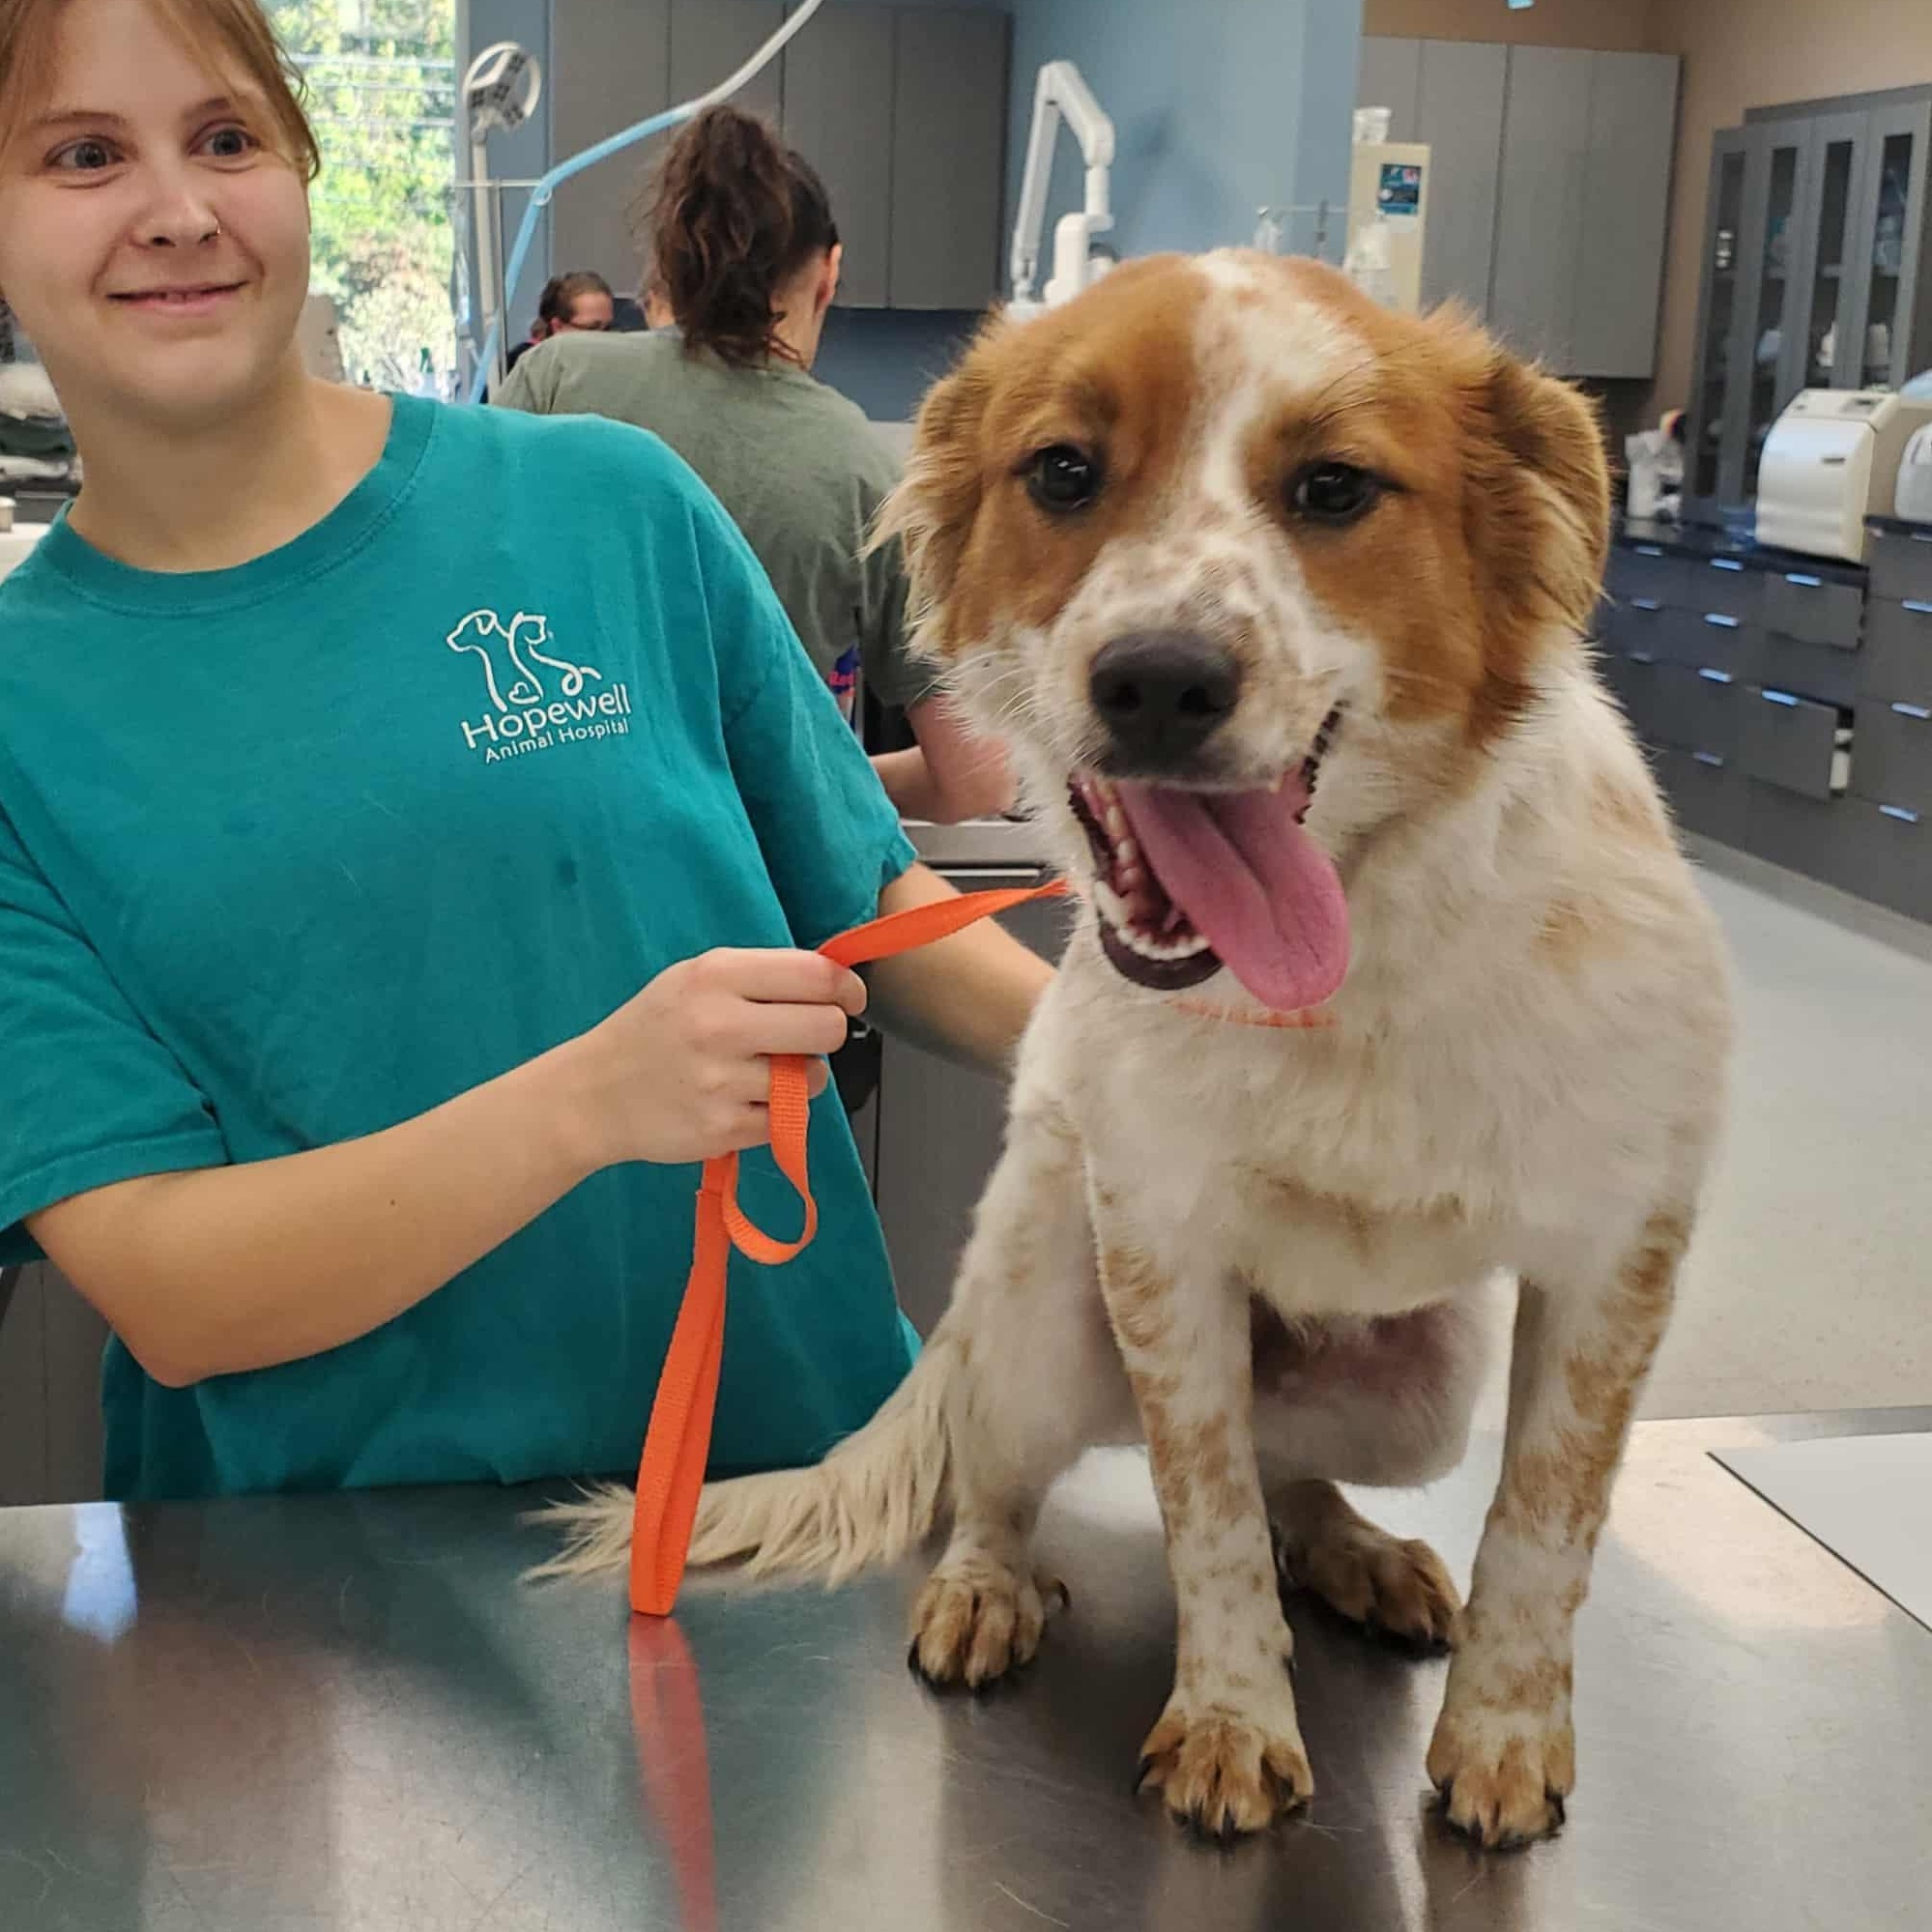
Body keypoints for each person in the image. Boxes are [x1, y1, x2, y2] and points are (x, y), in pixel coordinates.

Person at [0, 0, 1053, 1503]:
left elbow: (871, 903)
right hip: (341, 1584)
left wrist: (1149, 1065)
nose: (177, 211)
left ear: (298, 169)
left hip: (802, 1483)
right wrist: (590, 1100)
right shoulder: (26, 709)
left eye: (226, 137)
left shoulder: (609, 505)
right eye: (84, 154)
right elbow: (169, 1288)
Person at [497, 107, 1010, 825]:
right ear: (828, 275)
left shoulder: (553, 380)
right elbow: (977, 783)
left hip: (557, 838)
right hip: (757, 874)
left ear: (667, 271)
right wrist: (804, 776)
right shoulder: (865, 472)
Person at [503, 268, 613, 373]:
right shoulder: (525, 367)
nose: (605, 339)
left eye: (607, 329)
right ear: (558, 326)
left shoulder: (610, 366)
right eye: (592, 329)